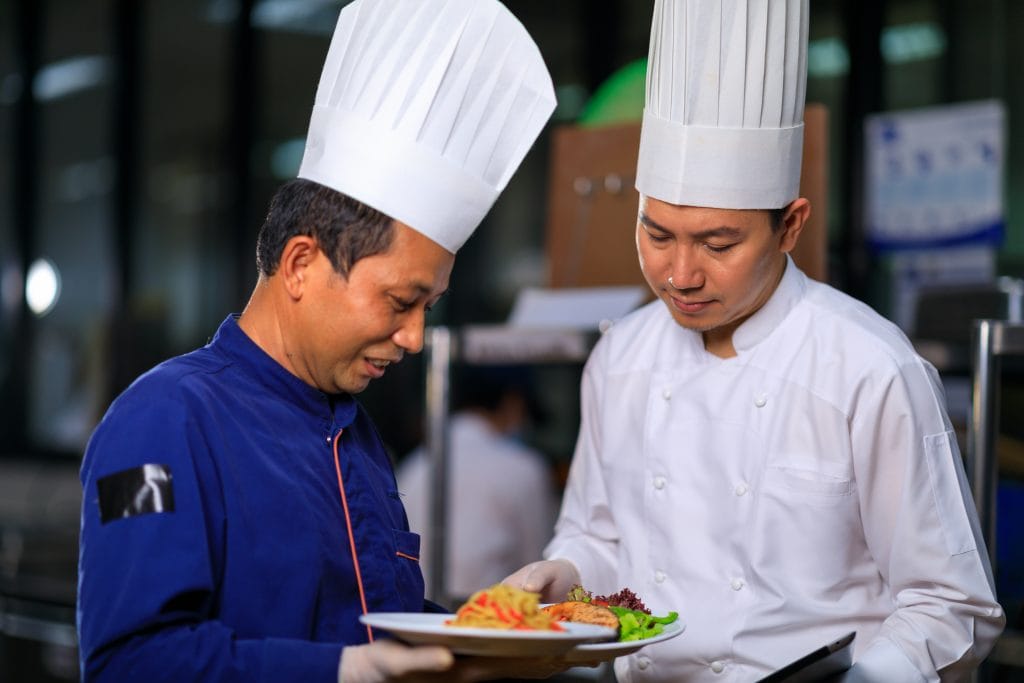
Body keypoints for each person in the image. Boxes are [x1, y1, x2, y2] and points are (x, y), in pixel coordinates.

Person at [505, 0, 1006, 681]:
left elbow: (949, 603)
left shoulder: (868, 366)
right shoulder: (619, 358)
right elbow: (600, 534)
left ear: (790, 225)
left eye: (718, 242)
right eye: (657, 235)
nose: (679, 274)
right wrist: (563, 571)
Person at [76, 1, 561, 681]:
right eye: (401, 300)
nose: (416, 336)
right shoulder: (159, 420)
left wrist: (484, 628)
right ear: (302, 264)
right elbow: (132, 660)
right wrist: (346, 671)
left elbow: (369, 624)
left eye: (429, 306)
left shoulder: (355, 435)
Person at [398, 367, 558, 603]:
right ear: (513, 403)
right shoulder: (522, 468)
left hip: (416, 618)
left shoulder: (414, 464)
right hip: (492, 622)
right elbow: (539, 567)